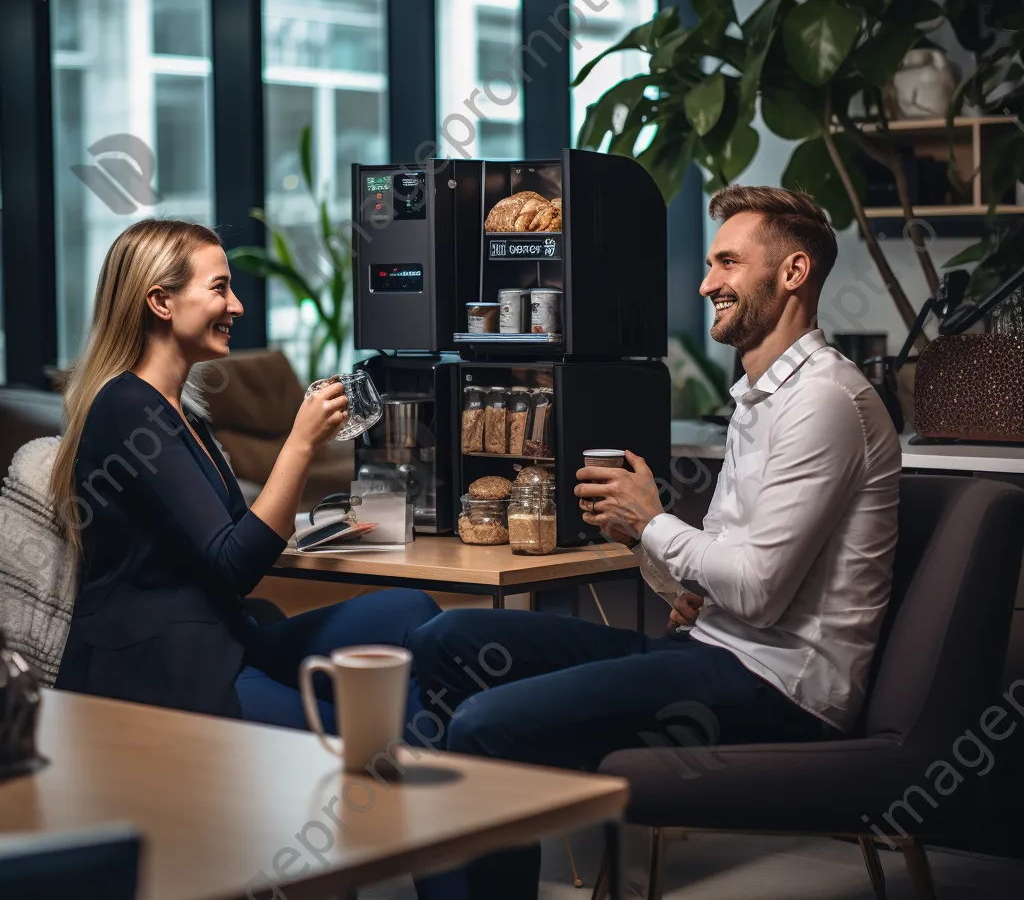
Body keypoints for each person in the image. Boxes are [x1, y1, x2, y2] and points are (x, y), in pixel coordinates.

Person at [410, 185, 902, 899]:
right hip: (719, 650)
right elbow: (732, 578)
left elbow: (760, 592)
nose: (706, 284)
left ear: (793, 274)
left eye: (727, 263)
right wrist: (665, 564)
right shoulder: (763, 395)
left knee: (488, 723)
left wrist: (651, 521)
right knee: (444, 640)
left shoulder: (824, 400)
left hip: (778, 686)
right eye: (710, 264)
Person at [52, 219, 440, 733]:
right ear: (161, 302)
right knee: (374, 724)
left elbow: (236, 529)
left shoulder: (183, 413)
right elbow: (236, 564)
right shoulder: (126, 409)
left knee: (411, 612)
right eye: (219, 288)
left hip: (228, 634)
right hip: (164, 664)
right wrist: (301, 443)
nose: (236, 305)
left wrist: (323, 528)